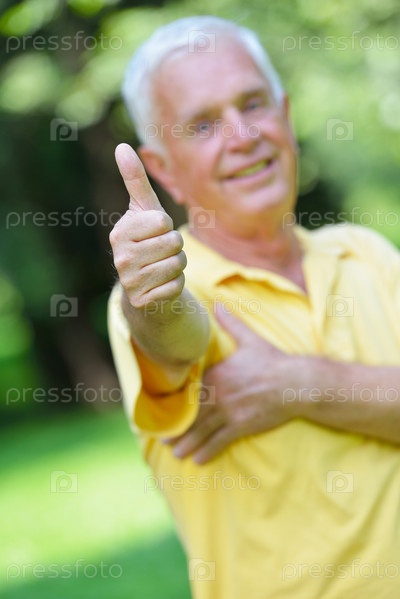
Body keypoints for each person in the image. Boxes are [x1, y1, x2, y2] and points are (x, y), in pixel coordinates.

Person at [108, 15, 400, 599]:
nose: (243, 136)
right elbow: (175, 336)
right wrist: (154, 299)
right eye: (203, 125)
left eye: (253, 104)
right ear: (163, 169)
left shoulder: (366, 253)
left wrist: (297, 383)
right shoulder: (163, 290)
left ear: (286, 117)